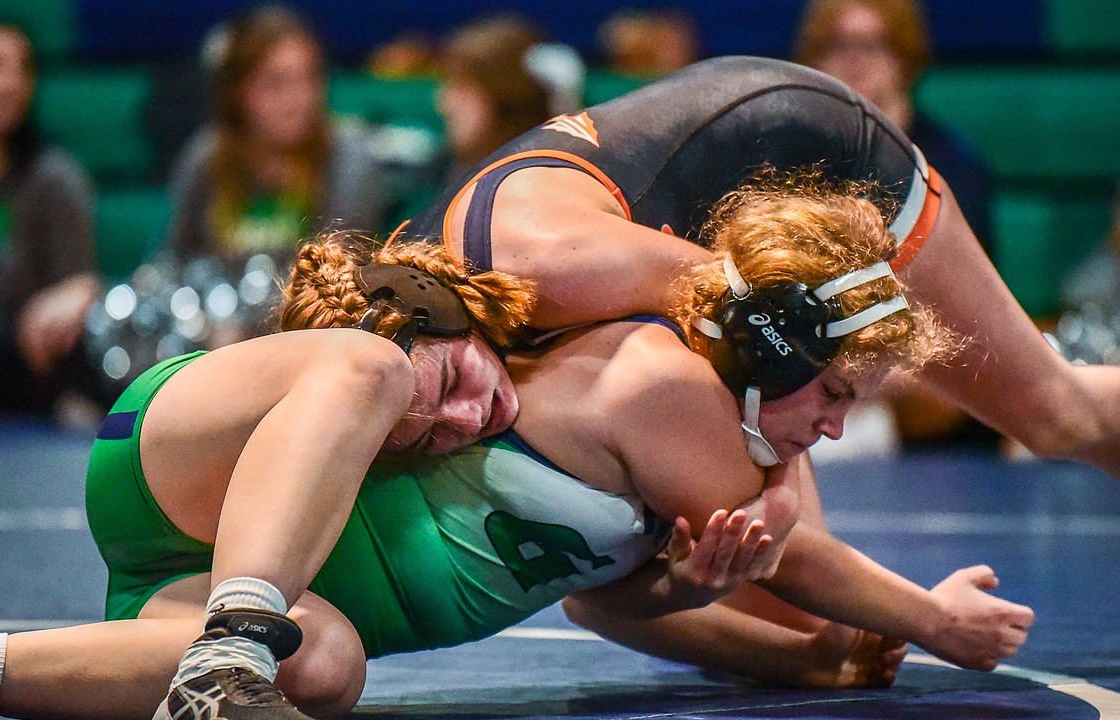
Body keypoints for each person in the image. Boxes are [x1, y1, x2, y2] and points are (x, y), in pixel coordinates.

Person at [0, 182, 1031, 720]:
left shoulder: (622, 404)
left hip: (244, 567)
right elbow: (799, 554)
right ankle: (232, 644)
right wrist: (931, 621)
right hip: (176, 451)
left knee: (325, 669)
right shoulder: (656, 384)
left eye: (468, 377)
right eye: (831, 396)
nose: (474, 417)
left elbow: (605, 602)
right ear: (785, 354)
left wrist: (756, 638)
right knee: (370, 366)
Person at [397, 54, 1120, 479]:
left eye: (436, 414)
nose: (456, 425)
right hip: (731, 156)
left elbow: (767, 325)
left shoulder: (544, 265)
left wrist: (775, 489)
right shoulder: (430, 282)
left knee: (1057, 414)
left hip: (817, 154)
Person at [793, 0, 1000, 451]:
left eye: (873, 45)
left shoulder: (950, 170)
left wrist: (886, 369)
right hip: (811, 374)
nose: (854, 60)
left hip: (915, 382)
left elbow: (969, 317)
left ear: (904, 57)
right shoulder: (793, 165)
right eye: (836, 45)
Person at [0, 21, 102, 422]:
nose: (10, 83)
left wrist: (72, 296)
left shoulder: (55, 177)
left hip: (19, 350)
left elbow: (80, 283)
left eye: (23, 69)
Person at [164, 5, 386, 270]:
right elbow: (174, 261)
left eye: (310, 78)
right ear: (237, 91)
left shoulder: (348, 155)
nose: (299, 99)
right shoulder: (207, 155)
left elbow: (343, 269)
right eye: (275, 83)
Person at [436, 15, 582, 185]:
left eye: (462, 88)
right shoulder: (441, 174)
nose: (445, 105)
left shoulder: (559, 186)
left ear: (510, 99)